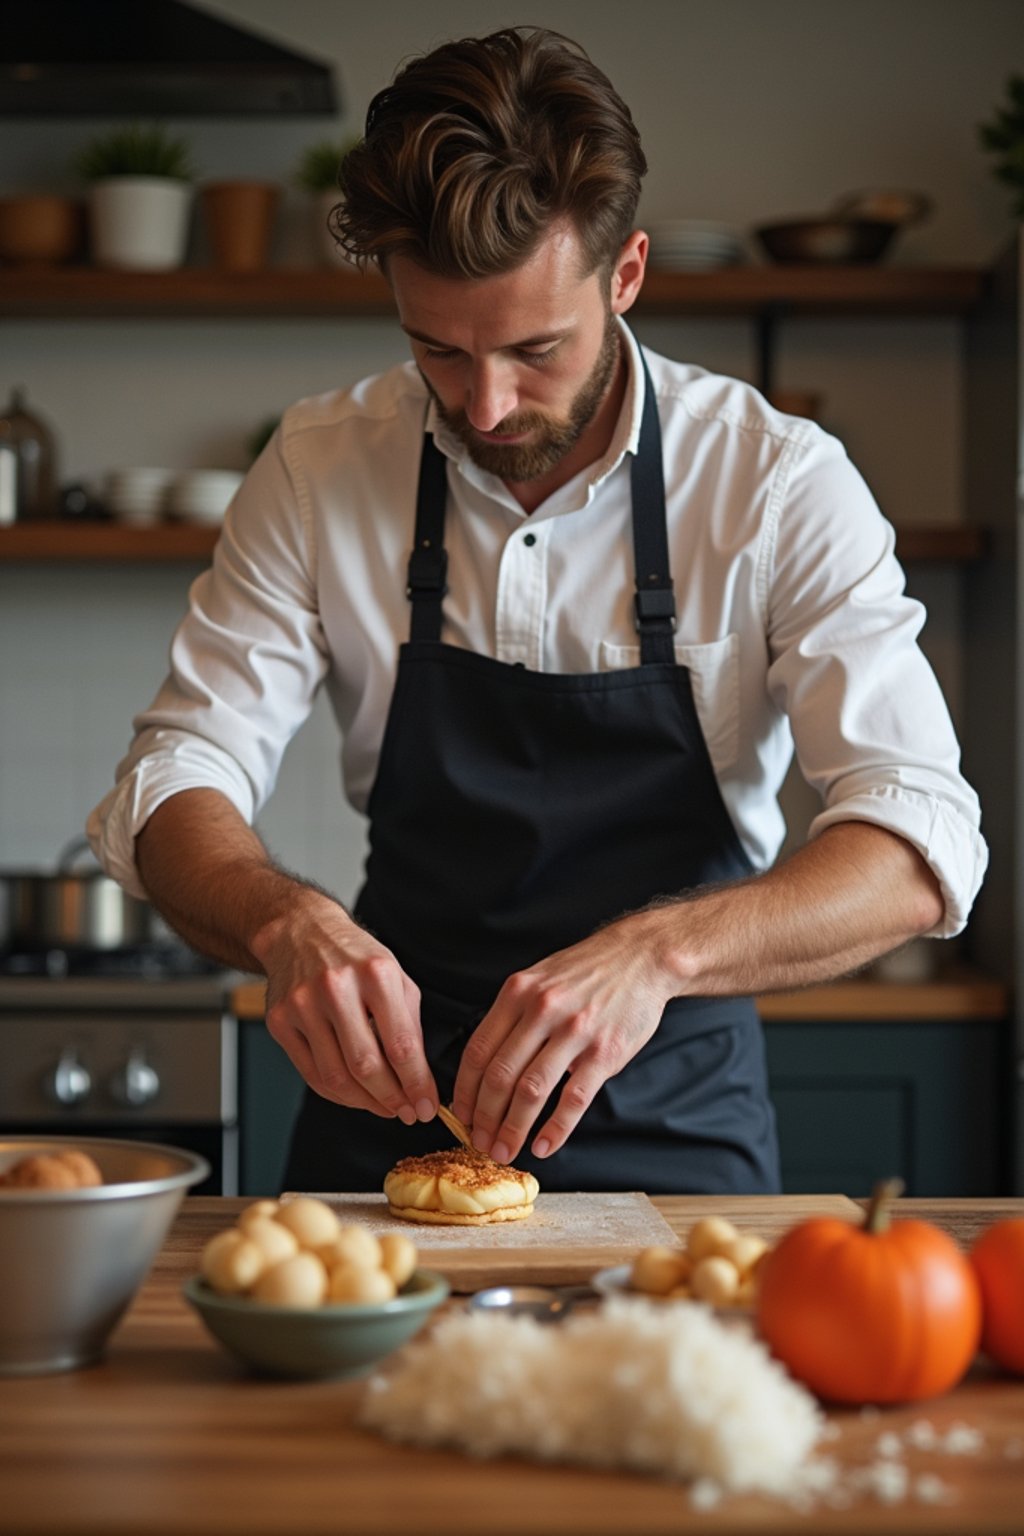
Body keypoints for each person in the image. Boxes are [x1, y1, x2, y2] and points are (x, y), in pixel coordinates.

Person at [88, 26, 986, 1196]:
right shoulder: (318, 465)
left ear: (625, 277)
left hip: (680, 1127)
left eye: (534, 349)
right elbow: (174, 780)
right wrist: (283, 925)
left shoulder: (772, 482)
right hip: (389, 1127)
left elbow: (919, 837)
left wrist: (655, 954)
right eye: (437, 353)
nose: (488, 403)